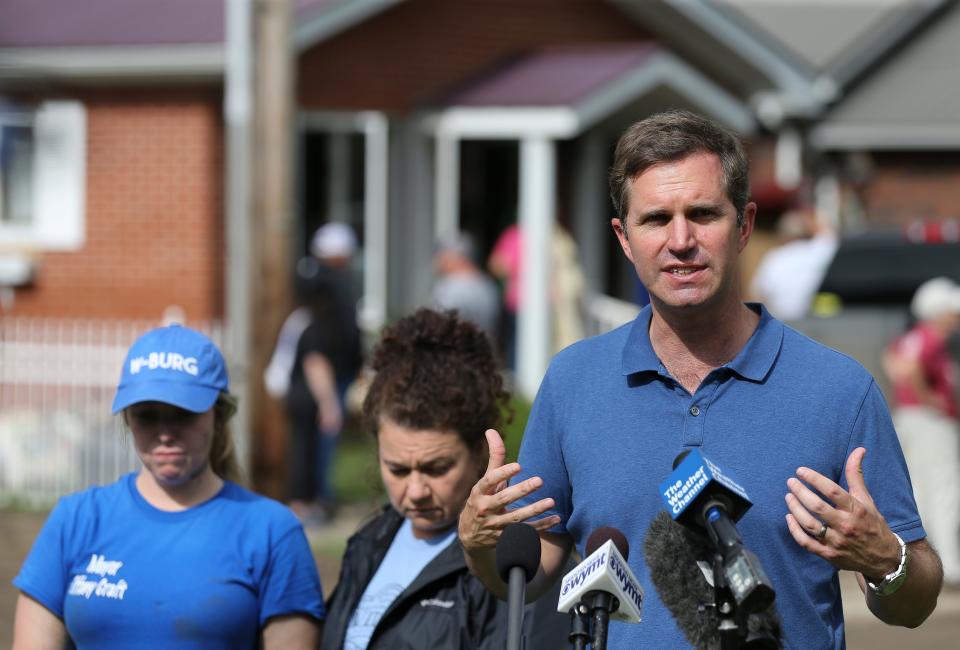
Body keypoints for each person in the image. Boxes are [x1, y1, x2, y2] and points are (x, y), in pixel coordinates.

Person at [458, 110, 942, 647]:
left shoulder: (839, 391)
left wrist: (886, 559)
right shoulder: (574, 380)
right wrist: (480, 546)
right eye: (656, 219)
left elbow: (916, 604)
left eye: (703, 214)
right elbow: (530, 569)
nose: (681, 239)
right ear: (624, 237)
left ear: (745, 226)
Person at [13, 324, 324, 649]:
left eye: (183, 414)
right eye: (147, 415)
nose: (165, 433)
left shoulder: (272, 531)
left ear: (218, 416)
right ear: (127, 418)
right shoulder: (76, 520)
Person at [322, 308, 567, 649]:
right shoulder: (369, 541)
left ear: (480, 453)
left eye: (437, 469)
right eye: (398, 469)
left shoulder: (516, 560)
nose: (416, 490)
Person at [884, 277, 960, 587]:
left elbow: (892, 361)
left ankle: (927, 564)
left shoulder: (913, 336)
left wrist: (907, 396)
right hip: (931, 422)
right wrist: (929, 400)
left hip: (910, 417)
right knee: (944, 490)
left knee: (921, 490)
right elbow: (911, 367)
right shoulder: (931, 338)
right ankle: (951, 566)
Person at [749, 207, 838, 321]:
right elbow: (829, 234)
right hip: (814, 318)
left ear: (782, 235)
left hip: (782, 323)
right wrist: (811, 222)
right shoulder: (819, 250)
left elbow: (758, 294)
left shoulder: (775, 257)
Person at [432, 231, 500, 339]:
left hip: (455, 351)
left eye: (441, 255)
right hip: (484, 350)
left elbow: (440, 327)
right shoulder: (488, 285)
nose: (437, 261)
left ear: (452, 256)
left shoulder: (449, 286)